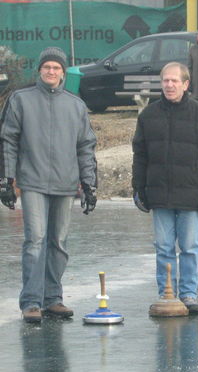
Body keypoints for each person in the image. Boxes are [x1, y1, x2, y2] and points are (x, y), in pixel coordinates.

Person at [0, 46, 98, 323]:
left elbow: (86, 146)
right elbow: (8, 140)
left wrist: (89, 184)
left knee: (58, 242)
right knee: (35, 241)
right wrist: (6, 180)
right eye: (47, 67)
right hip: (32, 182)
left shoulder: (75, 105)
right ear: (40, 70)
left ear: (63, 72)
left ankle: (53, 297)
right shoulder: (21, 99)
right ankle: (31, 301)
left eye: (56, 68)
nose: (51, 72)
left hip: (66, 184)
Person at [132, 62, 198, 314]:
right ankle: (166, 292)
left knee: (190, 247)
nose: (169, 85)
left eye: (174, 81)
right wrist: (138, 187)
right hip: (159, 194)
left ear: (185, 84)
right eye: (165, 81)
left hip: (190, 193)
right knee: (163, 247)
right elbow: (140, 154)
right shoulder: (148, 115)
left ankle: (189, 293)